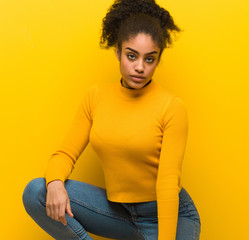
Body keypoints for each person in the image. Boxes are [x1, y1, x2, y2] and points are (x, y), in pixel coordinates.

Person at [22, 0, 201, 239]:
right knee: (37, 191)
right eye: (131, 56)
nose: (140, 67)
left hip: (168, 217)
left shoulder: (171, 107)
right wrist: (54, 183)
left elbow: (168, 184)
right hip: (118, 213)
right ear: (117, 52)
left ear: (158, 60)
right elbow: (64, 154)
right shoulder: (95, 97)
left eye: (150, 59)